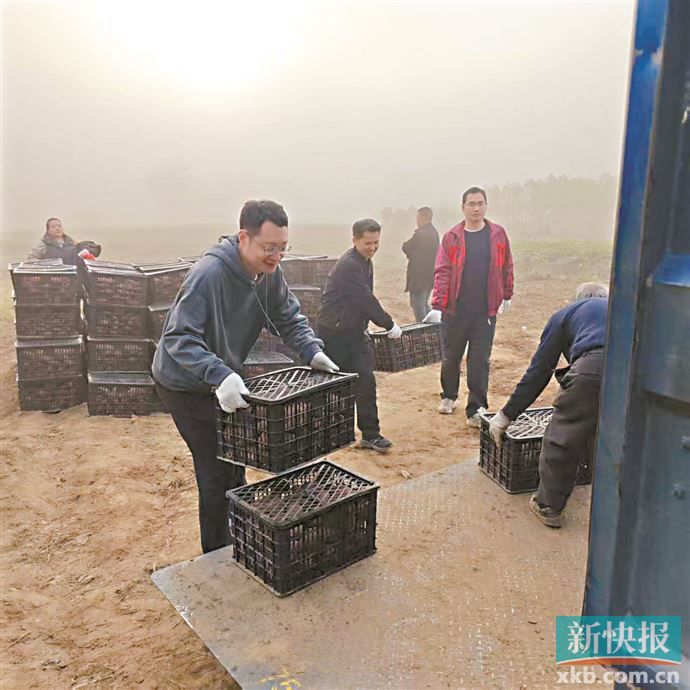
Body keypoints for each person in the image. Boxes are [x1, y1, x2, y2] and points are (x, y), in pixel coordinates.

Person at [152, 200, 339, 553]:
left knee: (235, 461)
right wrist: (218, 374)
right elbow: (179, 337)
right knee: (215, 469)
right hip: (185, 382)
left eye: (283, 248)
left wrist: (312, 350)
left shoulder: (269, 274)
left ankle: (236, 537)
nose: (276, 256)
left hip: (222, 376)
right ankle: (216, 555)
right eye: (269, 248)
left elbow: (287, 316)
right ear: (243, 238)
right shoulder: (209, 275)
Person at [489, 283, 609, 528]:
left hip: (593, 368)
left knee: (563, 436)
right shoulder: (620, 308)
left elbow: (539, 371)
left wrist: (506, 415)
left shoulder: (565, 315)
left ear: (576, 299)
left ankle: (548, 506)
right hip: (639, 371)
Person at [424, 187, 514, 427]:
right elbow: (442, 271)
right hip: (456, 310)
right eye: (471, 204)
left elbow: (506, 265)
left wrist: (506, 294)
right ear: (463, 207)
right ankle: (449, 395)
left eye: (480, 203)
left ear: (486, 206)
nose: (476, 208)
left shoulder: (497, 234)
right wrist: (439, 304)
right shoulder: (452, 237)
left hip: (485, 311)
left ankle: (476, 407)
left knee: (480, 359)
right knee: (451, 355)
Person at [316, 218, 402, 453]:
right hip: (334, 333)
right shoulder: (349, 265)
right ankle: (329, 435)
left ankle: (370, 435)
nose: (372, 248)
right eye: (368, 243)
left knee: (366, 381)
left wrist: (364, 324)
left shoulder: (365, 261)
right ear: (354, 240)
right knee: (336, 386)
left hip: (353, 332)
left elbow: (361, 300)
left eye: (376, 243)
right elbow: (365, 298)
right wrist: (388, 324)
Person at [402, 207, 440, 322]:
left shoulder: (420, 234)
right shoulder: (434, 233)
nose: (417, 220)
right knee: (423, 304)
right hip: (429, 276)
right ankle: (434, 326)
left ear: (424, 217)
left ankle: (424, 329)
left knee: (418, 306)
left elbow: (406, 247)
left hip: (419, 277)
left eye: (418, 217)